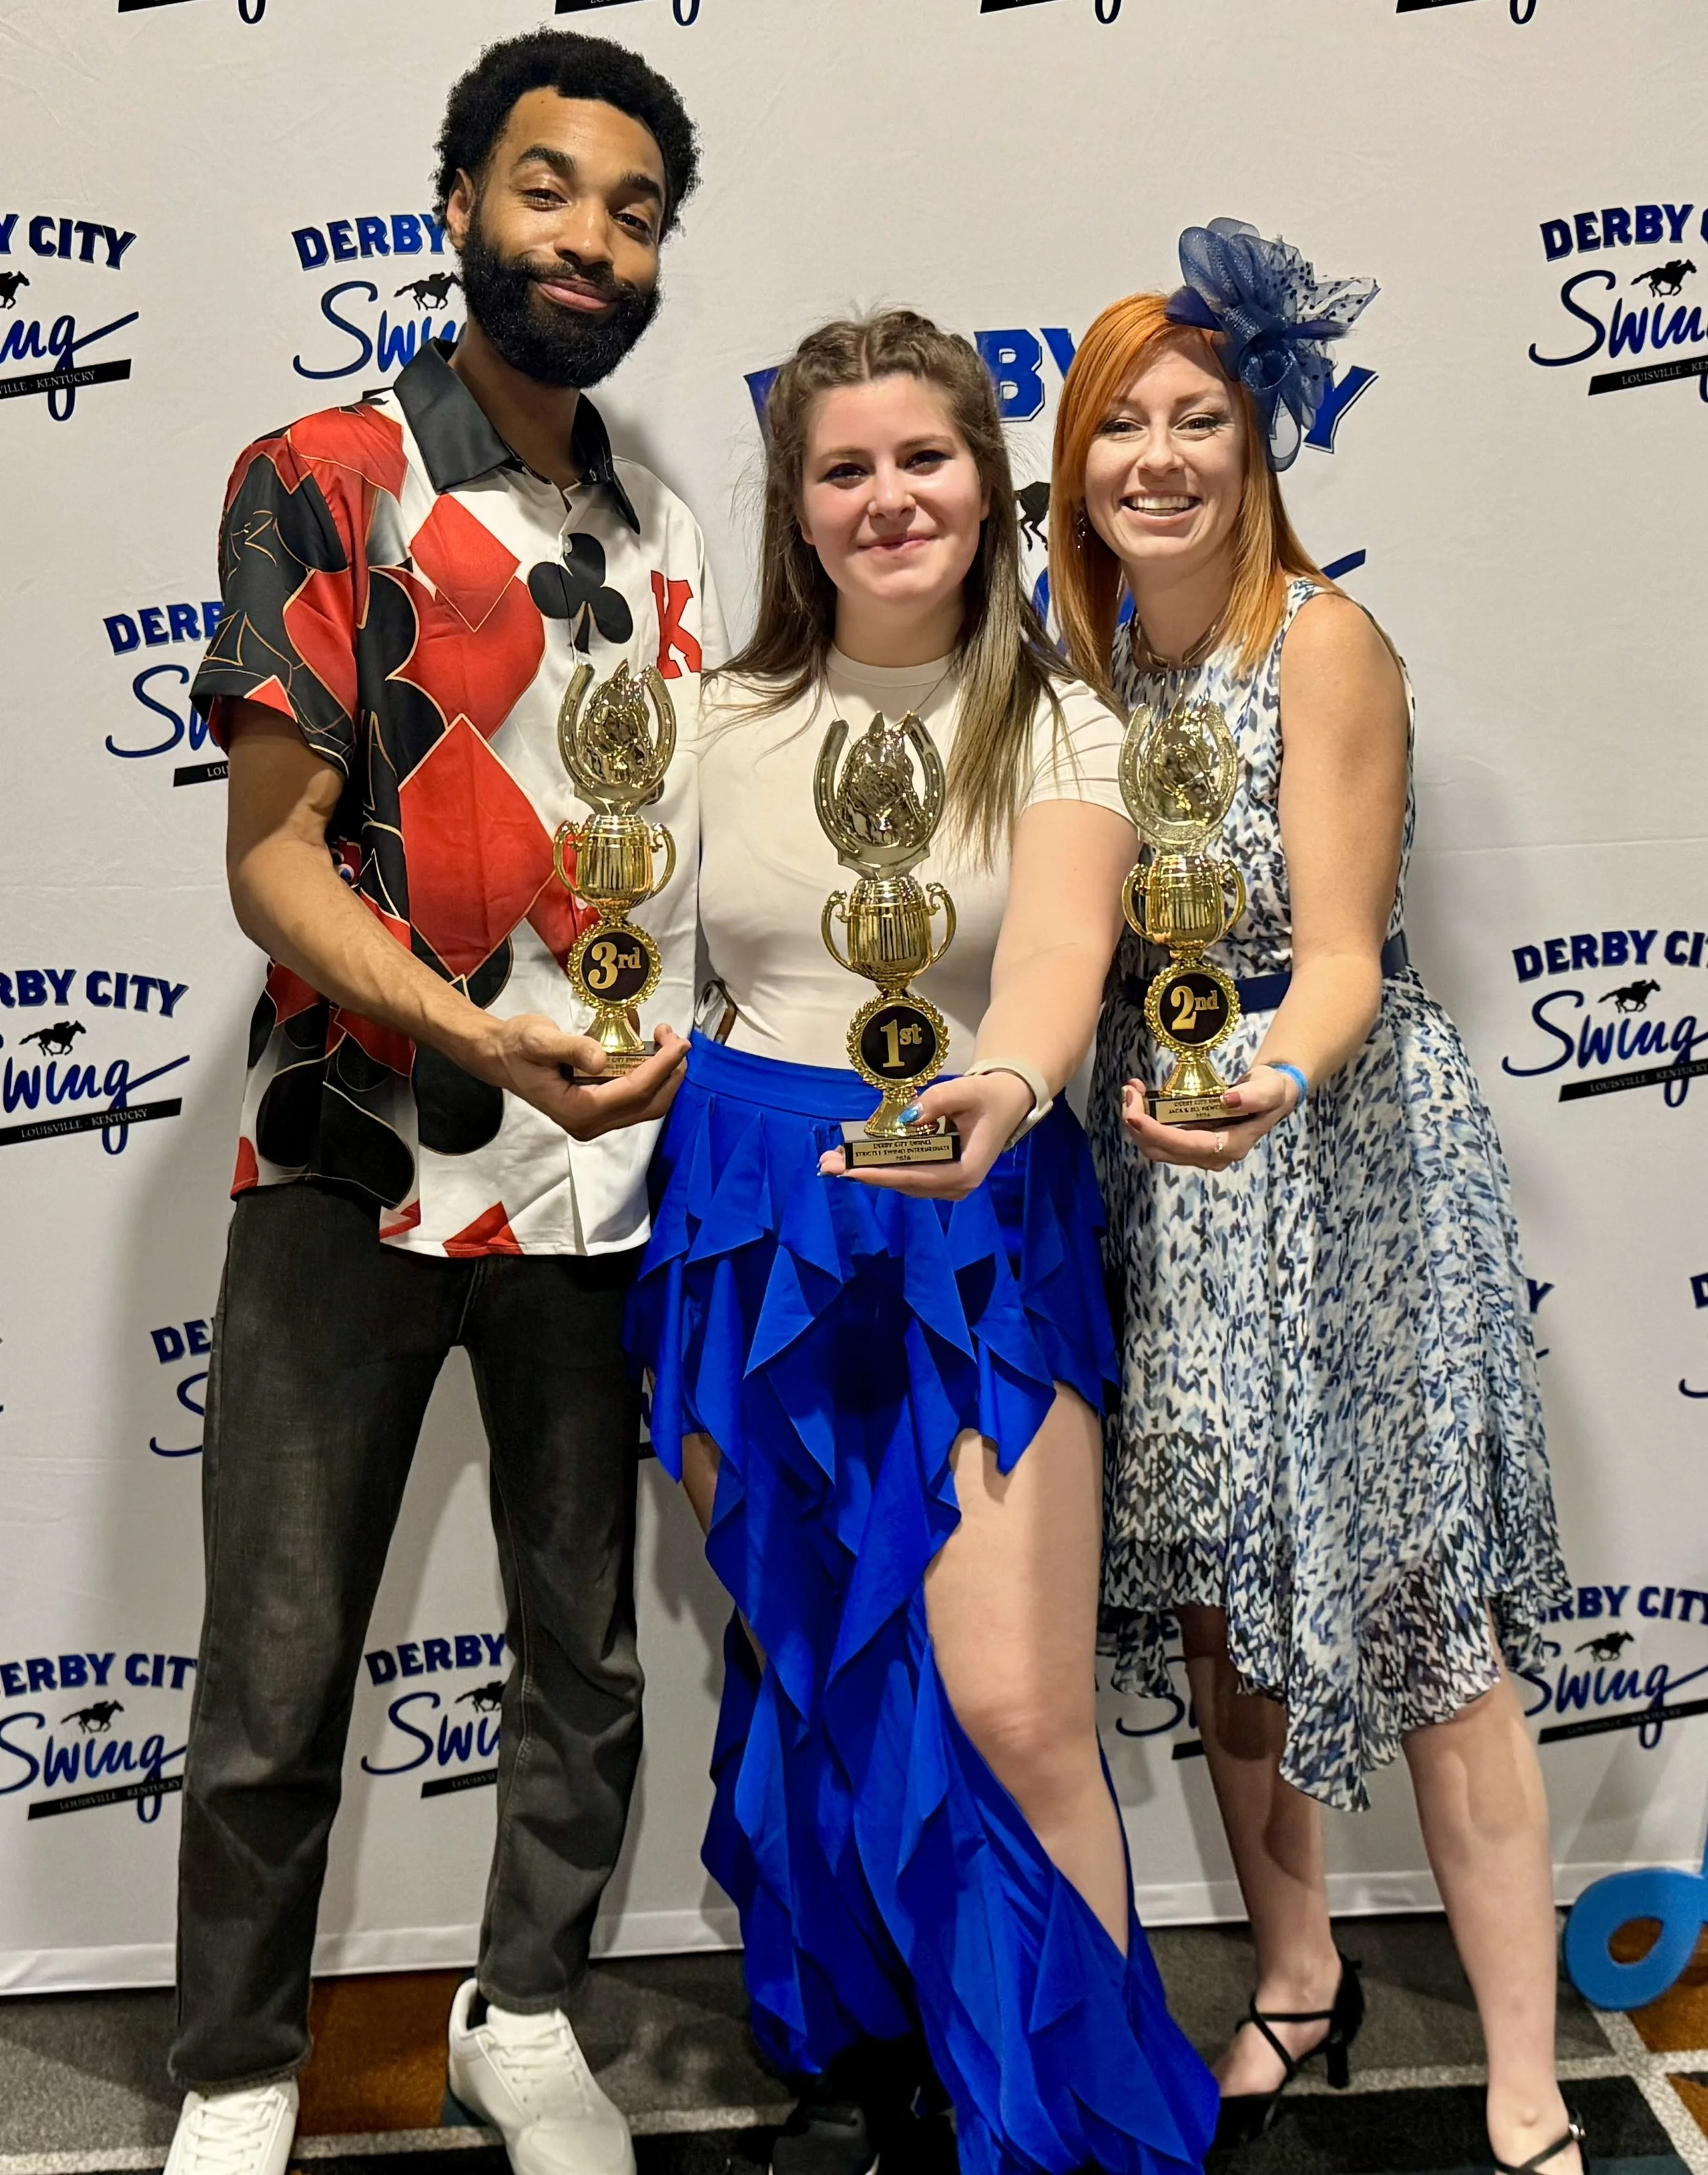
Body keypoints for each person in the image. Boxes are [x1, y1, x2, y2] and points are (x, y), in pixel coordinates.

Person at [165, 33, 723, 2175]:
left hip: (599, 1170)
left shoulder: (657, 518)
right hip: (355, 1153)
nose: (590, 237)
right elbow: (271, 861)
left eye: (636, 209)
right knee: (283, 1648)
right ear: (460, 204)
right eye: (551, 189)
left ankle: (525, 2010)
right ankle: (234, 2064)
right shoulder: (322, 476)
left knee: (580, 1639)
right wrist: (473, 1038)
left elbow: (647, 866)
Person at [628, 310, 1217, 2175]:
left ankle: (1069, 2127)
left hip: (976, 1204)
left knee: (1019, 1701)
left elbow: (1049, 956)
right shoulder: (706, 723)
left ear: (989, 481)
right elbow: (632, 962)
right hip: (748, 1209)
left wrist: (1013, 1083)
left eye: (923, 458)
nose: (889, 499)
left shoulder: (1059, 718)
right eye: (844, 468)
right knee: (813, 1657)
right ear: (794, 510)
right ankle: (870, 2061)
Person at [1049, 222, 1579, 2174]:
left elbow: (1341, 952)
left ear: (1257, 443)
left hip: (1335, 1163)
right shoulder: (1090, 665)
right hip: (1168, 1186)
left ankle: (1523, 2073)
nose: (1161, 456)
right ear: (1079, 461)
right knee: (1224, 1609)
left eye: (1199, 416)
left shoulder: (1322, 641)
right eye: (1124, 424)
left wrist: (1263, 1078)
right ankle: (1296, 1970)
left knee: (1425, 1615)